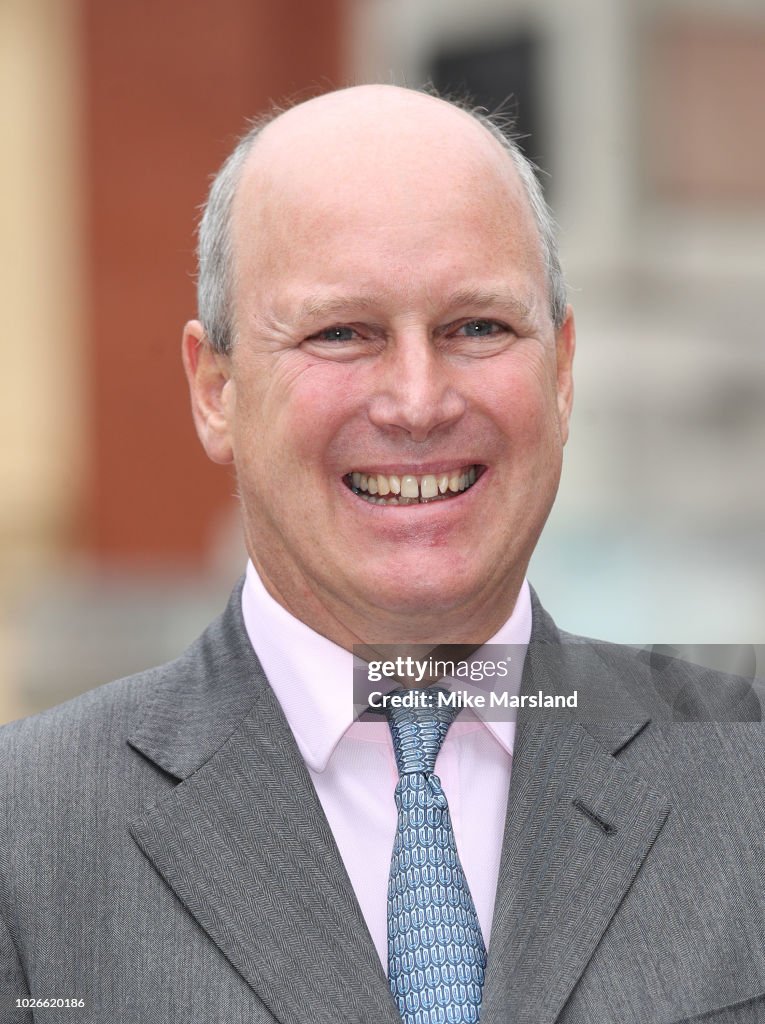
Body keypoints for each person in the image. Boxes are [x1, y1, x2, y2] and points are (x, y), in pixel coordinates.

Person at [0, 85, 762, 1024]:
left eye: (476, 327)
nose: (416, 400)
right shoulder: (24, 842)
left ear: (561, 373)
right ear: (214, 391)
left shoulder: (743, 778)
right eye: (341, 334)